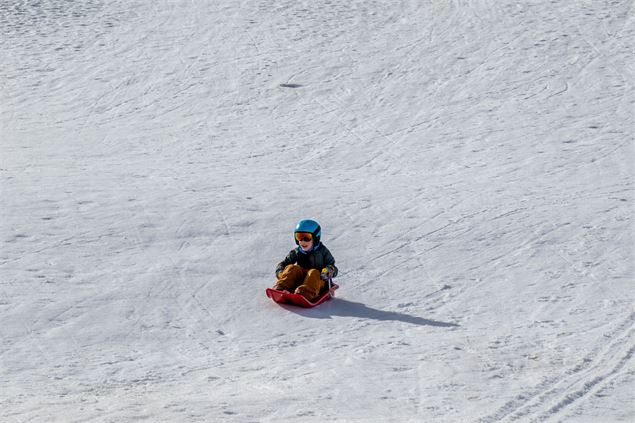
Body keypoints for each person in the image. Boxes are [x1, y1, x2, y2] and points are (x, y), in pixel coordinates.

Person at [273, 219, 338, 301]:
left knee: (313, 272)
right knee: (292, 268)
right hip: (300, 281)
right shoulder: (296, 252)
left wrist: (328, 271)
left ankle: (304, 294)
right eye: (299, 237)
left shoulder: (323, 252)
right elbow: (283, 264)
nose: (302, 241)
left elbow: (332, 266)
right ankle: (281, 288)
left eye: (307, 238)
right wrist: (281, 272)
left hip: (317, 281)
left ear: (315, 238)